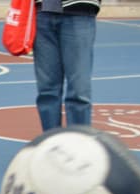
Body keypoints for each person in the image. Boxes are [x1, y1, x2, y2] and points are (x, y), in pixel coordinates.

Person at [32, 0, 100, 131]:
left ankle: (79, 142)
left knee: (79, 91)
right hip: (42, 11)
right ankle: (51, 141)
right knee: (47, 90)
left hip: (79, 11)